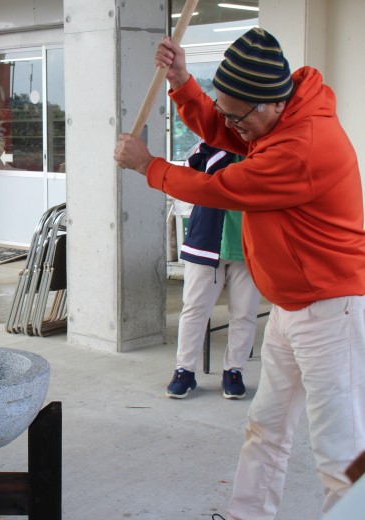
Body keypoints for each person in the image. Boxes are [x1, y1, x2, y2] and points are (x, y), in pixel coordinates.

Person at [114, 28, 365, 519]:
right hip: (294, 308)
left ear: (269, 104)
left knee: (342, 455)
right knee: (265, 429)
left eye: (237, 114)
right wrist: (183, 82)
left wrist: (149, 166)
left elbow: (223, 186)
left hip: (331, 312)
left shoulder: (301, 147)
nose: (229, 125)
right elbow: (226, 130)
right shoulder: (277, 118)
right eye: (224, 109)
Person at [167, 141, 262, 400]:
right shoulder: (211, 147)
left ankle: (234, 371)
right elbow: (190, 175)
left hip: (249, 247)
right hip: (206, 242)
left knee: (244, 313)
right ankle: (184, 370)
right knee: (195, 309)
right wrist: (218, 145)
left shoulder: (265, 151)